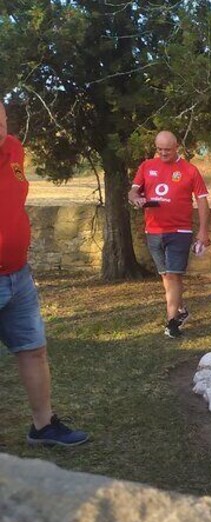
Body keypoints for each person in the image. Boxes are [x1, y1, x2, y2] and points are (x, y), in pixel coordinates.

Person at [0, 102, 89, 446]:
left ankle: (43, 425)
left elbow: (16, 196)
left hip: (18, 275)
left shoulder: (14, 150)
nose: (0, 129)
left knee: (33, 349)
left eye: (3, 121)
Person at [128, 131, 211, 338]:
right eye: (159, 149)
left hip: (179, 230)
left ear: (176, 148)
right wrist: (136, 199)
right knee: (166, 276)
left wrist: (203, 230)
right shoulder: (147, 166)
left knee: (174, 275)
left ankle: (172, 322)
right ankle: (181, 310)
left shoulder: (189, 170)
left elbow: (202, 200)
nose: (163, 153)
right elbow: (133, 191)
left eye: (167, 150)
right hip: (154, 230)